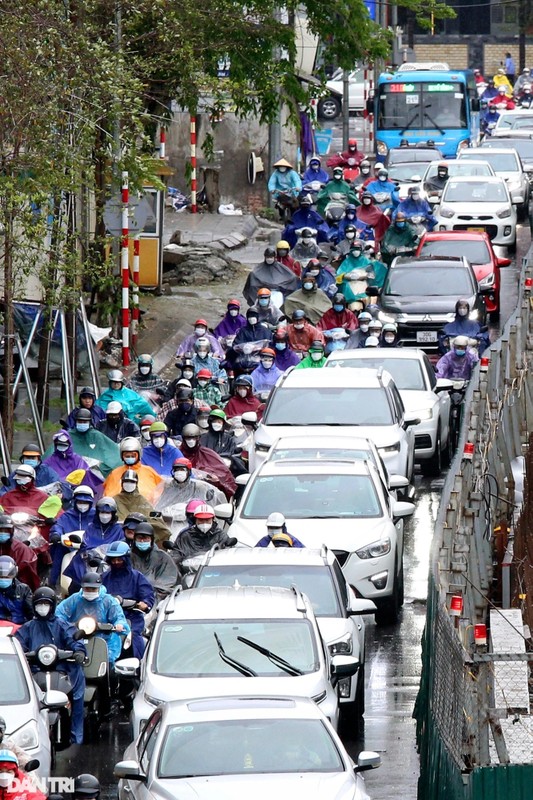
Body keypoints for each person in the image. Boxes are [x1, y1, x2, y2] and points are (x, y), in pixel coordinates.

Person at [16, 587, 87, 745]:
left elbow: (74, 639)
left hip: (61, 671)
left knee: (77, 693)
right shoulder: (28, 627)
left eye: (46, 603)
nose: (42, 607)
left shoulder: (62, 625)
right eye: (39, 603)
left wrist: (78, 651)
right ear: (34, 606)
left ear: (53, 605)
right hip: (35, 672)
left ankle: (76, 738)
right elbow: (18, 643)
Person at [56, 572, 129, 667]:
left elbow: (119, 617)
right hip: (78, 638)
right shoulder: (75, 599)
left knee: (110, 668)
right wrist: (64, 625)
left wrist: (119, 625)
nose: (90, 591)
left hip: (104, 640)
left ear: (99, 588)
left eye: (93, 589)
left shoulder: (108, 601)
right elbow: (59, 613)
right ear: (82, 587)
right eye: (87, 588)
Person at [101, 541, 154, 659]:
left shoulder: (137, 577)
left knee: (134, 638)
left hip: (131, 618)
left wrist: (144, 604)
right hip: (107, 619)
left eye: (119, 559)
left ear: (126, 559)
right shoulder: (104, 577)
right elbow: (96, 594)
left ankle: (138, 666)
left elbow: (148, 595)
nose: (116, 562)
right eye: (113, 560)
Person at [63, 496, 126, 590]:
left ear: (113, 514)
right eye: (102, 512)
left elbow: (120, 547)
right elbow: (85, 545)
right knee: (76, 571)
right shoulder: (91, 527)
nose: (105, 515)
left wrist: (105, 558)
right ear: (97, 513)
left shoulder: (118, 530)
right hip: (88, 561)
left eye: (108, 513)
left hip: (110, 563)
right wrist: (91, 555)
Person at [49, 485, 97, 589]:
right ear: (74, 502)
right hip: (69, 547)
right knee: (58, 551)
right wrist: (56, 534)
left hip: (92, 547)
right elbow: (58, 525)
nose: (82, 505)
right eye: (80, 502)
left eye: (85, 502)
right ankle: (53, 582)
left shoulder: (96, 515)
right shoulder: (67, 515)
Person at [179, 424, 237, 499]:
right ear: (183, 439)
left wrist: (214, 479)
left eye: (194, 438)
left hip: (206, 495)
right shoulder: (177, 453)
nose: (191, 441)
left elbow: (223, 474)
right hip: (181, 494)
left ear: (198, 438)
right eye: (188, 438)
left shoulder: (208, 454)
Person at [114, 472, 171, 547]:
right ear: (122, 483)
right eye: (126, 481)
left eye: (132, 482)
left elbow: (152, 517)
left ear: (136, 483)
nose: (129, 484)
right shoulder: (115, 499)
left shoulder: (142, 500)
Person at [155, 457, 225, 517]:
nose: (179, 472)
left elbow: (202, 507)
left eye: (182, 470)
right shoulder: (168, 485)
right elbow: (160, 503)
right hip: (170, 519)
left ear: (189, 472)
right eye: (177, 470)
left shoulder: (198, 487)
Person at [104, 437, 163, 504]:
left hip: (145, 510)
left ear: (139, 454)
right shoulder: (115, 473)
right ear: (121, 456)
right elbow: (108, 495)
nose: (130, 458)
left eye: (133, 455)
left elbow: (161, 490)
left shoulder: (149, 471)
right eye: (127, 456)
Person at [171, 504, 237, 565]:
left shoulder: (220, 535)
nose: (204, 523)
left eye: (207, 520)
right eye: (201, 520)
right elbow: (177, 553)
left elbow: (227, 555)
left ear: (212, 519)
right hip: (188, 570)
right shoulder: (185, 536)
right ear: (195, 520)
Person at [66, 408, 122, 479]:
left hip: (95, 474)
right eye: (80, 421)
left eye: (85, 422)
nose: (82, 424)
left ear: (90, 422)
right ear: (75, 422)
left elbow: (113, 453)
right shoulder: (67, 436)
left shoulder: (97, 436)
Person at [130, 522, 178, 598]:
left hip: (156, 598)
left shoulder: (162, 557)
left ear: (151, 540)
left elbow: (168, 582)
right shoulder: (127, 557)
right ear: (134, 539)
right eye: (139, 538)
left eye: (145, 538)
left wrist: (151, 590)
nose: (142, 541)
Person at [0, 516, 39, 591]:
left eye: (6, 531)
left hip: (14, 586)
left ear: (11, 531)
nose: (2, 533)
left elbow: (27, 573)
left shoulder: (21, 549)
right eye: (0, 530)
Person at [0, 557, 33, 624]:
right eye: (1, 577)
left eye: (7, 577)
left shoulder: (23, 589)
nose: (4, 579)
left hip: (19, 627)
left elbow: (31, 612)